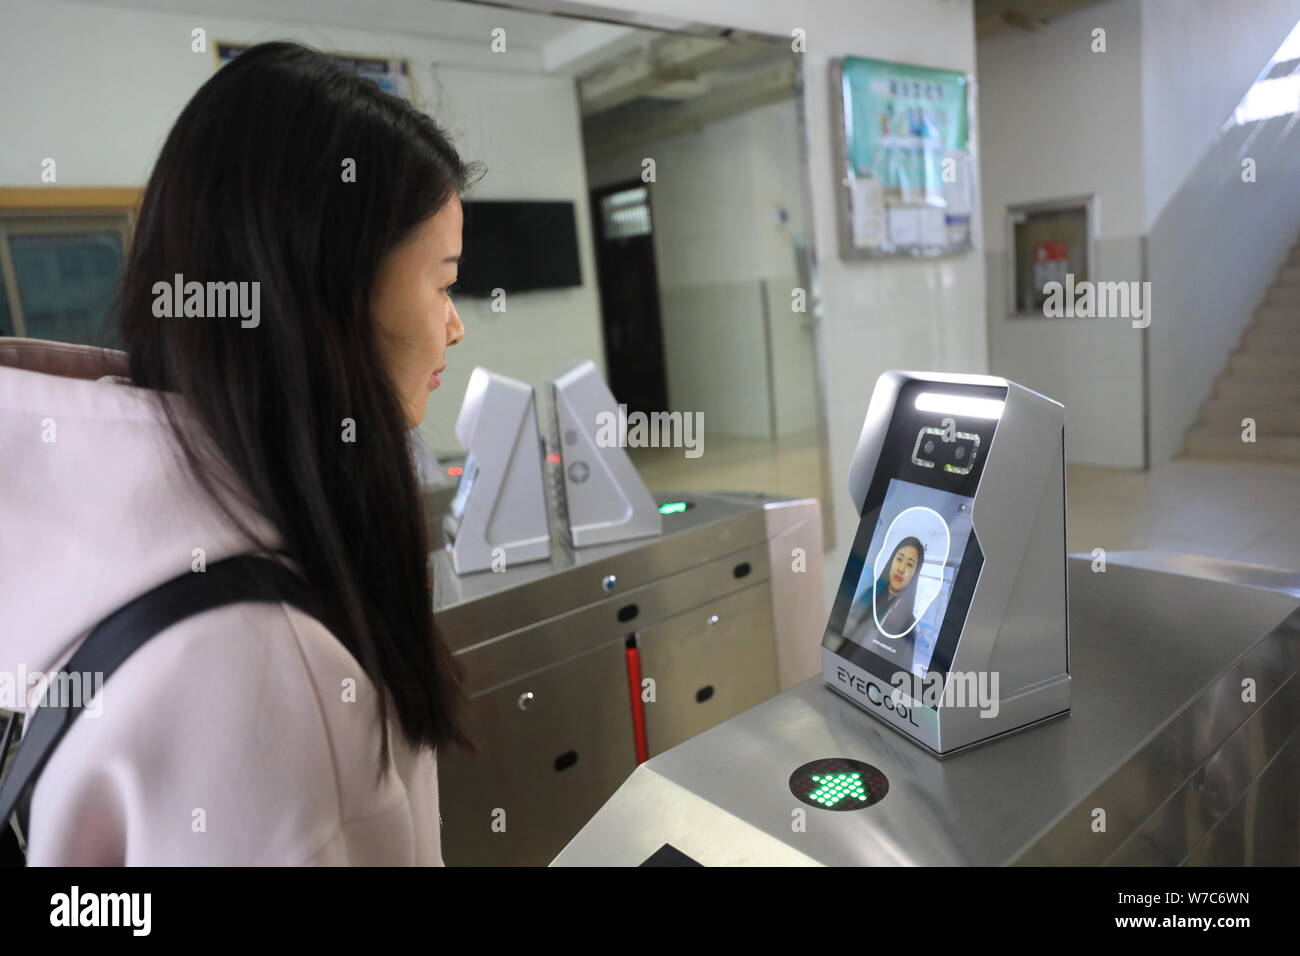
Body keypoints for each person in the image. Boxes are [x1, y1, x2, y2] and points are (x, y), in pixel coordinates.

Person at [0, 42, 478, 865]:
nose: (455, 323)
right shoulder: (264, 669)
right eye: (442, 282)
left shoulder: (139, 570)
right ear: (325, 296)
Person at [841, 537, 926, 677]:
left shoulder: (909, 622)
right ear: (891, 561)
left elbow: (901, 675)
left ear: (915, 574)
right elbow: (846, 631)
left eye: (910, 565)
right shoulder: (869, 594)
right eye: (899, 559)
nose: (901, 568)